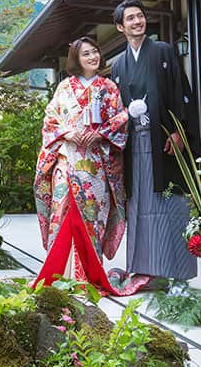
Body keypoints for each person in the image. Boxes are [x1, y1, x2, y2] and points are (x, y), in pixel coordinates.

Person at [32, 37, 151, 295]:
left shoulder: (108, 87)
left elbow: (121, 119)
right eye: (86, 54)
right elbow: (50, 120)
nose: (92, 57)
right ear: (77, 58)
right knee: (63, 209)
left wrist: (101, 134)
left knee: (93, 215)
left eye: (95, 52)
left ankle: (87, 274)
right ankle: (60, 275)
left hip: (96, 161)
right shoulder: (65, 87)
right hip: (67, 158)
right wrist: (67, 133)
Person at [110, 0, 198, 283]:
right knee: (140, 206)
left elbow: (179, 92)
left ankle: (175, 271)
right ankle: (145, 268)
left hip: (164, 142)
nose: (138, 22)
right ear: (120, 27)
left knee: (168, 204)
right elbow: (114, 110)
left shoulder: (163, 51)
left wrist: (178, 131)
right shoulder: (119, 65)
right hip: (135, 146)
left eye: (140, 16)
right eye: (131, 19)